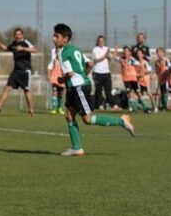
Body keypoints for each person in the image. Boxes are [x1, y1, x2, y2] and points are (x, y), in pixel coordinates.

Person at [52, 23, 134, 157]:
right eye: (54, 36)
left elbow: (69, 74)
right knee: (69, 115)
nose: (53, 38)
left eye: (56, 36)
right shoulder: (75, 49)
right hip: (78, 86)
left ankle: (122, 122)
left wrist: (61, 80)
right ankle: (77, 148)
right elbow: (90, 64)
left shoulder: (62, 52)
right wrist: (83, 74)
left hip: (78, 87)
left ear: (65, 39)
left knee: (87, 119)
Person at [0, 28, 36, 116]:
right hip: (16, 71)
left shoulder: (26, 42)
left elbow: (34, 50)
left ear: (22, 35)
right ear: (14, 36)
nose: (17, 36)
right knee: (7, 88)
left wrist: (23, 49)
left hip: (25, 71)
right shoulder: (14, 43)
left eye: (19, 34)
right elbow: (6, 48)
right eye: (16, 34)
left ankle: (31, 110)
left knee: (26, 90)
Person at [91, 35, 120, 111]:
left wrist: (115, 51)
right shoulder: (95, 49)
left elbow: (111, 58)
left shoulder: (106, 49)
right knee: (98, 90)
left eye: (102, 41)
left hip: (106, 72)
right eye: (100, 41)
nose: (101, 42)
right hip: (97, 72)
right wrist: (105, 56)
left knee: (108, 90)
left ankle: (112, 105)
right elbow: (96, 60)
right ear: (98, 41)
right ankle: (100, 105)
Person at [115, 46, 144, 112]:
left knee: (138, 93)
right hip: (126, 79)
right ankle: (132, 107)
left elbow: (139, 65)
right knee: (129, 93)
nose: (126, 53)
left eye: (127, 51)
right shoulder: (122, 59)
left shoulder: (132, 60)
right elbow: (114, 58)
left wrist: (139, 73)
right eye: (124, 51)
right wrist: (116, 51)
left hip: (134, 79)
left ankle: (143, 105)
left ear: (129, 52)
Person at [47, 46, 65, 114]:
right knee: (54, 92)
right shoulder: (54, 61)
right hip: (54, 78)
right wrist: (49, 75)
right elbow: (49, 67)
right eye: (57, 52)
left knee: (61, 93)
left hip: (62, 79)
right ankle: (54, 108)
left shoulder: (63, 61)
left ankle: (59, 108)